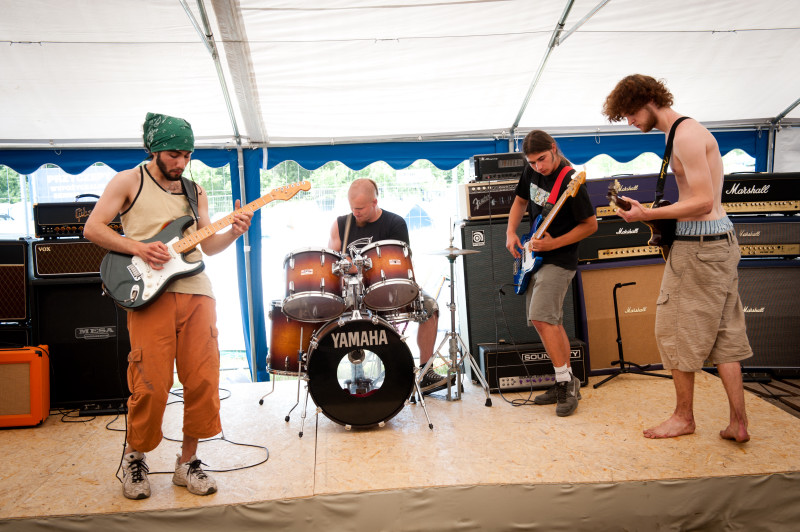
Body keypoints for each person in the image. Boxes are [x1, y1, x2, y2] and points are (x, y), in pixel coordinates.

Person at [84, 112, 253, 500]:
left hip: (197, 292)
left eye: (187, 155)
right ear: (154, 150)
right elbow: (93, 228)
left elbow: (205, 245)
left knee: (203, 379)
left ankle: (188, 462)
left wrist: (232, 231)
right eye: (174, 154)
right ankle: (135, 460)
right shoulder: (128, 181)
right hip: (148, 294)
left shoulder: (195, 191)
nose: (181, 162)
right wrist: (139, 247)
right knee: (151, 384)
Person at [602, 74, 752, 442]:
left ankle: (683, 417)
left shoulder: (683, 135)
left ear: (648, 100)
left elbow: (701, 202)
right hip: (720, 242)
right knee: (725, 335)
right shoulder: (685, 131)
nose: (630, 122)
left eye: (630, 113)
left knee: (672, 330)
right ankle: (738, 423)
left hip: (700, 248)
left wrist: (646, 215)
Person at [328, 178, 451, 394]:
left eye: (360, 209)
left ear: (375, 202)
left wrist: (359, 266)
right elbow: (332, 263)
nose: (355, 213)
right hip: (353, 295)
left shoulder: (395, 223)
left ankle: (425, 372)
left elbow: (400, 263)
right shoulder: (341, 224)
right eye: (352, 208)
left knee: (430, 307)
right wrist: (345, 267)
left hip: (388, 288)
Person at [505, 131, 597, 417]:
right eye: (531, 162)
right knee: (549, 322)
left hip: (560, 257)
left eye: (542, 160)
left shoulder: (572, 182)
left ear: (554, 149)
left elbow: (590, 225)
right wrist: (510, 231)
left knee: (542, 317)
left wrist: (554, 243)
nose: (538, 167)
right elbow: (521, 201)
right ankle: (567, 381)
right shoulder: (530, 171)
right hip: (535, 256)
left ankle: (564, 384)